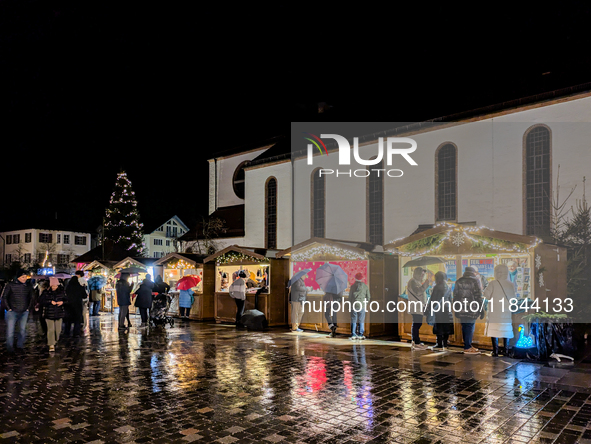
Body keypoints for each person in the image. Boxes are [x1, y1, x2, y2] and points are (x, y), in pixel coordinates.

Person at [484, 264, 515, 357]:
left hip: (495, 310)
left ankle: (495, 351)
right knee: (506, 330)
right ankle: (506, 350)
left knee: (494, 330)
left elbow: (487, 295)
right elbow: (513, 297)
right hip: (506, 310)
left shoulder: (493, 283)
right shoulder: (511, 284)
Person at [2, 270, 34, 354]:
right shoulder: (10, 285)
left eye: (25, 277)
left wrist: (28, 308)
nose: (25, 279)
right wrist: (8, 308)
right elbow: (4, 297)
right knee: (10, 331)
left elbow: (31, 297)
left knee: (22, 330)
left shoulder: (28, 286)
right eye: (23, 277)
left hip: (24, 311)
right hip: (12, 311)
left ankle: (20, 346)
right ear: (18, 277)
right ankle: (10, 348)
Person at [453, 266, 484, 354]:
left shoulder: (459, 281)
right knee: (470, 327)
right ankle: (467, 347)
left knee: (464, 326)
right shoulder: (475, 281)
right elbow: (478, 297)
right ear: (473, 272)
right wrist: (481, 310)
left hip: (461, 308)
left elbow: (455, 296)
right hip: (472, 308)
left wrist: (456, 308)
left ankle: (467, 345)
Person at [427, 271, 454, 351]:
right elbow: (450, 299)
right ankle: (445, 343)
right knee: (446, 326)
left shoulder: (437, 287)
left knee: (439, 327)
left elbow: (433, 299)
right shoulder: (448, 287)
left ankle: (439, 343)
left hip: (439, 310)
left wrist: (429, 308)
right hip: (447, 308)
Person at [406, 267, 432, 349]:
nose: (422, 276)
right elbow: (418, 291)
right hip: (416, 306)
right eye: (421, 274)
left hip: (418, 306)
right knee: (417, 324)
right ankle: (416, 341)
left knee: (417, 323)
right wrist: (426, 284)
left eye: (423, 275)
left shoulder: (415, 281)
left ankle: (416, 341)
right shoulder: (413, 282)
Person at [38, 277, 67, 351]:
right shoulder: (46, 292)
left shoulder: (62, 292)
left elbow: (67, 301)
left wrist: (62, 302)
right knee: (50, 329)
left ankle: (55, 340)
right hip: (49, 313)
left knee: (58, 330)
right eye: (53, 285)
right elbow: (41, 301)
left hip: (59, 313)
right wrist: (50, 302)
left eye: (55, 285)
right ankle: (51, 344)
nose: (54, 287)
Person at [349, 273, 370, 340]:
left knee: (354, 320)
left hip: (354, 305)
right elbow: (368, 297)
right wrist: (365, 303)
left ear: (355, 278)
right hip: (362, 305)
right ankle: (361, 334)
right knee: (361, 320)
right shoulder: (365, 286)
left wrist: (351, 303)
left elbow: (350, 297)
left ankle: (353, 335)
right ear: (362, 278)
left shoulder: (352, 287)